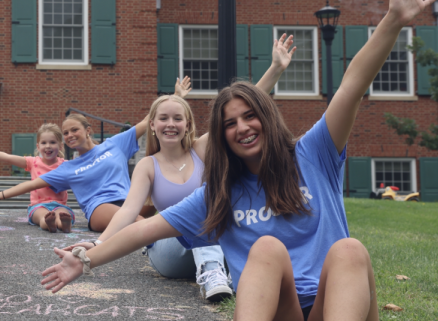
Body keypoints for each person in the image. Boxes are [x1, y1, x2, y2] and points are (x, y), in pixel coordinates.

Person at [42, 0, 438, 321]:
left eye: (249, 116)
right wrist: (88, 257)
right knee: (267, 248)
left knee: (349, 249)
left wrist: (391, 21)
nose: (242, 128)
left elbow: (351, 84)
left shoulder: (315, 152)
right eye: (229, 123)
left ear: (267, 117)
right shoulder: (220, 194)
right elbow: (145, 229)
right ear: (221, 137)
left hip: (340, 319)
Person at [74, 38, 295, 302]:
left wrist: (277, 69)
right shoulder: (147, 166)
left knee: (230, 219)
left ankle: (226, 271)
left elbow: (247, 105)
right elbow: (128, 212)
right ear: (152, 125)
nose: (171, 124)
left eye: (177, 118)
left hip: (216, 241)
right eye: (163, 119)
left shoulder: (201, 150)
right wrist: (98, 245)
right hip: (170, 252)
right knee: (200, 212)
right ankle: (214, 272)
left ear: (187, 124)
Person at [0, 112, 150, 232]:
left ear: (88, 131)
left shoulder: (114, 144)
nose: (70, 135)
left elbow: (146, 122)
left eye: (74, 130)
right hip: (101, 208)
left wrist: (176, 97)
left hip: (129, 201)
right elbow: (32, 184)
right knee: (138, 222)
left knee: (161, 190)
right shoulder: (67, 168)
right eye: (65, 133)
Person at [0, 123, 75, 233]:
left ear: (60, 145)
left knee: (63, 214)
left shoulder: (66, 165)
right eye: (44, 142)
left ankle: (64, 225)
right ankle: (49, 223)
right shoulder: (33, 162)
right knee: (43, 216)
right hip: (38, 205)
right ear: (38, 146)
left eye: (52, 142)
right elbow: (7, 157)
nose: (48, 146)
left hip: (60, 204)